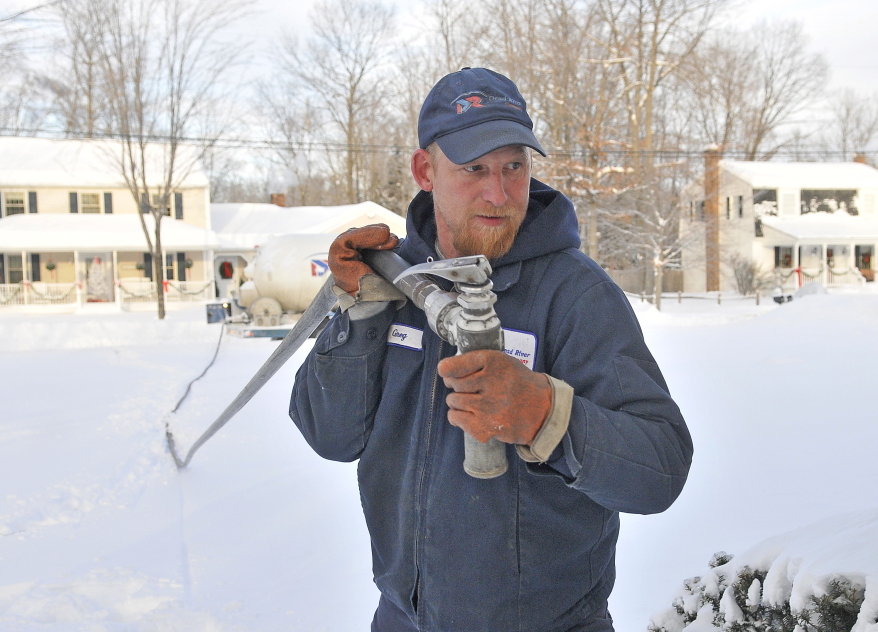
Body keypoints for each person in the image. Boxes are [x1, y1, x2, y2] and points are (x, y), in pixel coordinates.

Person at [290, 67, 692, 632]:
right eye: (473, 168)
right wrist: (359, 317)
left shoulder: (574, 296)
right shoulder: (394, 280)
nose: (498, 193)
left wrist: (546, 417)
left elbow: (661, 468)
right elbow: (330, 436)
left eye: (513, 167)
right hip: (402, 619)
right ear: (425, 170)